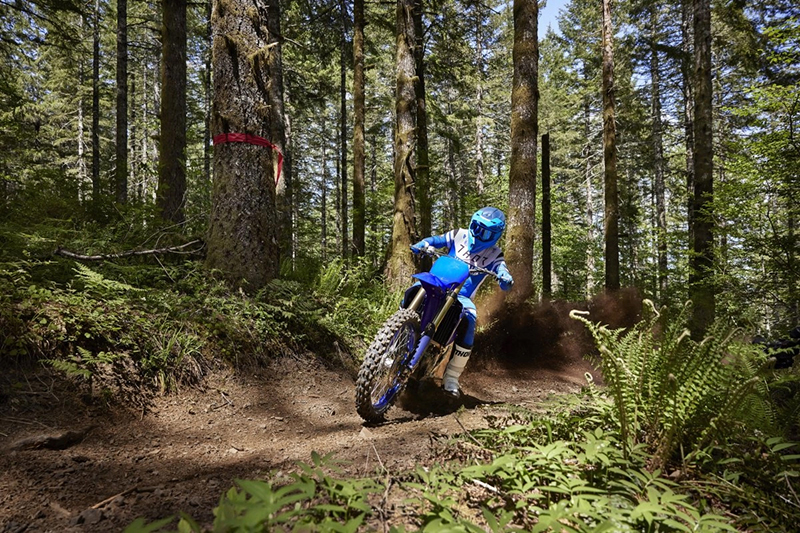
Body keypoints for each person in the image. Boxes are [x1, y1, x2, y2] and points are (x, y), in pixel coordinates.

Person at [410, 206, 514, 396]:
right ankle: (394, 340)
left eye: (486, 232)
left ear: (495, 235)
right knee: (414, 290)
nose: (479, 234)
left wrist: (505, 277)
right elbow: (438, 240)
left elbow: (502, 269)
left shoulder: (495, 254)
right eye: (477, 227)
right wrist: (423, 243)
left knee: (470, 319)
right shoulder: (459, 234)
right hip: (437, 282)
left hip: (462, 297)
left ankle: (451, 378)